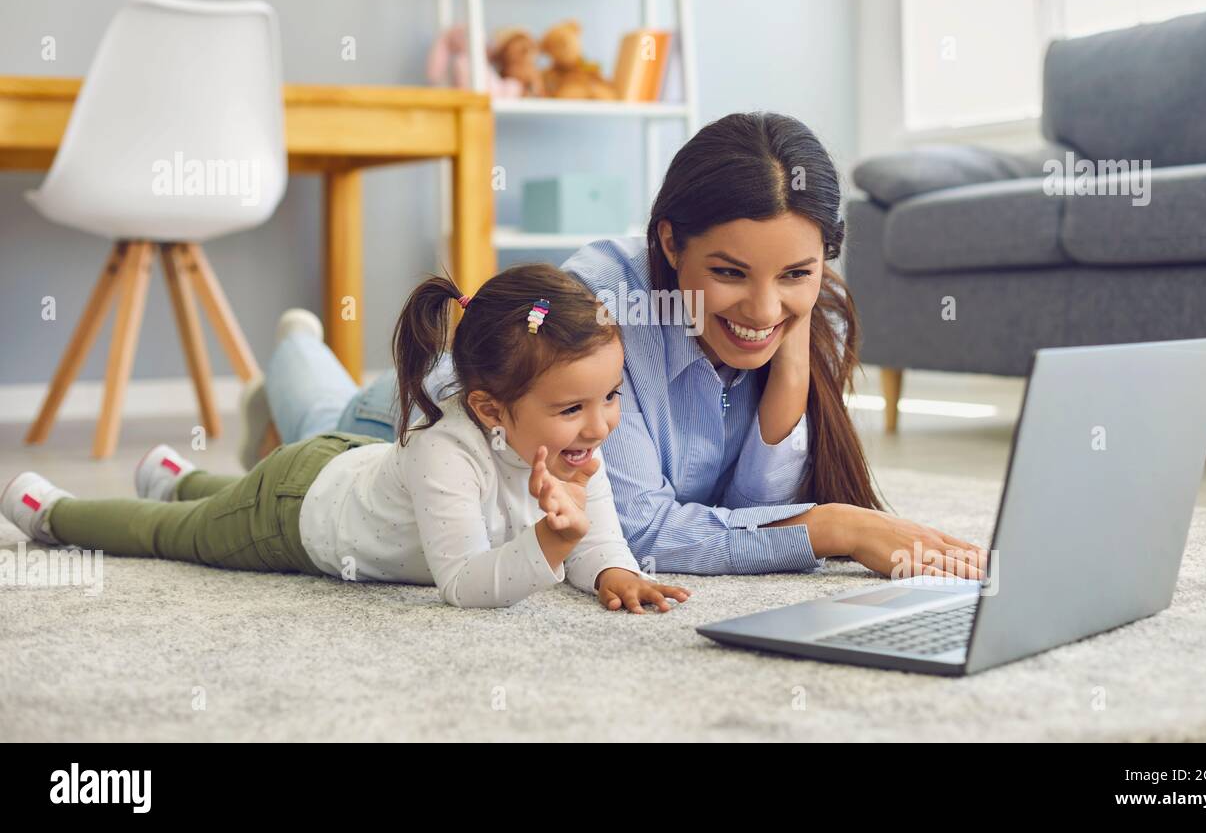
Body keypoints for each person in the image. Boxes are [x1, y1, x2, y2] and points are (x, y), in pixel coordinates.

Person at [241, 112, 987, 579]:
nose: (763, 305)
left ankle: (296, 359)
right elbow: (641, 529)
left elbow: (747, 507)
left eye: (798, 272)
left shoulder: (803, 311)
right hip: (430, 421)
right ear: (670, 240)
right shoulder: (607, 303)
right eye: (729, 273)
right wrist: (835, 528)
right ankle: (294, 344)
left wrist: (791, 354)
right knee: (319, 428)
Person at [2, 264, 690, 613]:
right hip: (295, 513)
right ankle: (55, 514)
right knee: (176, 533)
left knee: (213, 501)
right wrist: (548, 544)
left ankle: (180, 475)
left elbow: (592, 531)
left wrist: (612, 570)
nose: (600, 424)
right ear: (489, 408)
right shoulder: (446, 453)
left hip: (342, 466)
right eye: (574, 407)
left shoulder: (576, 448)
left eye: (612, 395)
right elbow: (462, 582)